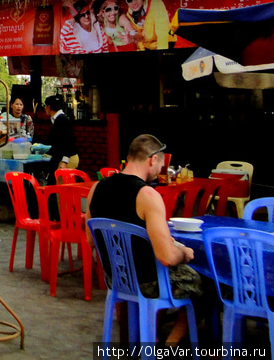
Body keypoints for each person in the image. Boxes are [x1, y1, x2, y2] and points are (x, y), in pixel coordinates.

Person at [86, 134, 203, 347]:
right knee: (206, 283)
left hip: (116, 280)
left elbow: (91, 241)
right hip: (149, 284)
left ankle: (139, 339)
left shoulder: (96, 189)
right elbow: (166, 257)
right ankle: (170, 345)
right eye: (161, 164)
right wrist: (185, 253)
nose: (160, 170)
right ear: (152, 160)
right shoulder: (147, 195)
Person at [43, 94, 78, 170]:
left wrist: (64, 162)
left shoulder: (61, 120)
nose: (44, 108)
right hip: (64, 158)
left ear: (49, 107)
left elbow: (68, 142)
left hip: (68, 159)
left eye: (45, 106)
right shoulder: (57, 119)